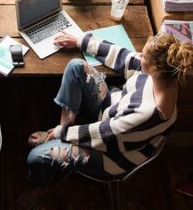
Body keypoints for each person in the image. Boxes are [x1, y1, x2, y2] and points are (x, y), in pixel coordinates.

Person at [20, 30, 193, 209]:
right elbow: (124, 57)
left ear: (156, 68)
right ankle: (64, 133)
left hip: (110, 154)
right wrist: (81, 41)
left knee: (34, 157)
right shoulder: (165, 78)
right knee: (76, 66)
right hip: (110, 115)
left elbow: (103, 134)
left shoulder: (147, 114)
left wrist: (58, 133)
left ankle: (38, 186)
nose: (139, 55)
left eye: (144, 55)